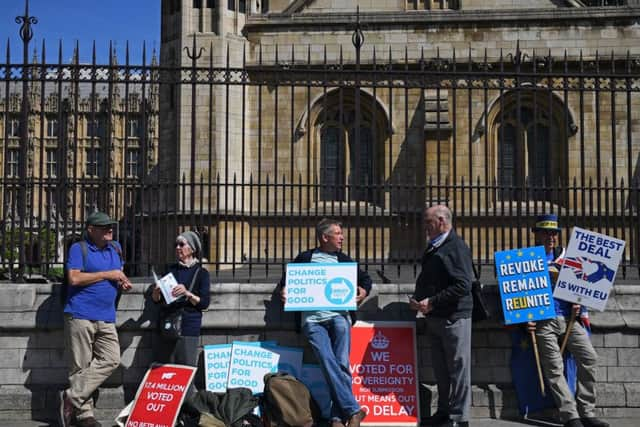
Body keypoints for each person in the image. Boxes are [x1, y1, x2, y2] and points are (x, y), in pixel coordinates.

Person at [279, 219, 371, 427]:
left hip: (339, 317)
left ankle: (337, 418)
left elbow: (365, 280)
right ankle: (353, 410)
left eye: (341, 233)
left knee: (341, 364)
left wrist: (363, 291)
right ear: (324, 237)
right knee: (328, 360)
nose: (342, 237)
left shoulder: (343, 260)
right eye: (338, 233)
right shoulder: (305, 258)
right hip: (313, 320)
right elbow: (286, 281)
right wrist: (284, 291)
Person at [527, 214, 608, 427]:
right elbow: (518, 294)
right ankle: (570, 415)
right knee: (554, 369)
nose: (550, 237)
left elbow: (585, 286)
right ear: (536, 235)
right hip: (543, 321)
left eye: (553, 233)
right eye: (545, 232)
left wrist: (579, 303)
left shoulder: (569, 259)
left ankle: (587, 412)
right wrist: (525, 318)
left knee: (590, 358)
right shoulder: (527, 261)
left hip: (569, 318)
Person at [59, 212, 132, 427]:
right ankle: (84, 416)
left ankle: (71, 396)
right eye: (104, 227)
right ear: (91, 229)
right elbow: (74, 277)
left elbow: (118, 274)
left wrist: (122, 282)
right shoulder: (78, 248)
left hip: (106, 316)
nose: (109, 230)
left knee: (111, 359)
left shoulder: (116, 248)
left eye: (110, 226)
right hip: (80, 314)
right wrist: (108, 275)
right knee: (80, 366)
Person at [410, 205, 473, 427]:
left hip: (454, 317)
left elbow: (464, 285)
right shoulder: (435, 246)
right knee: (441, 370)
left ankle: (459, 418)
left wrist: (433, 301)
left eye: (428, 222)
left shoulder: (456, 247)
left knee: (458, 369)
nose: (425, 227)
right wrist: (419, 299)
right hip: (435, 316)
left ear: (442, 221)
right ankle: (444, 411)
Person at [151, 231, 211, 370]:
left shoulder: (201, 273)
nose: (177, 247)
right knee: (167, 368)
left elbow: (204, 303)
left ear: (192, 249)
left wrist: (187, 293)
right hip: (168, 325)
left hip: (189, 326)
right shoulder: (169, 270)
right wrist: (156, 292)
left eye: (181, 244)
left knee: (186, 368)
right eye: (176, 245)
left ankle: (188, 393)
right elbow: (157, 301)